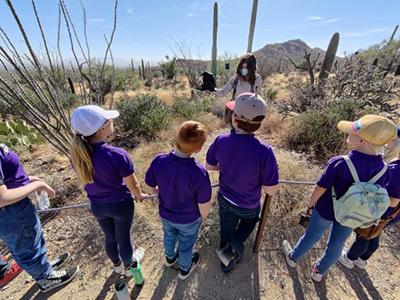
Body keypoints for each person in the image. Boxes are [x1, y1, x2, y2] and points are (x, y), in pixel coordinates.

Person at [282, 115, 397, 282]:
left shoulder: (340, 163)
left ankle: (293, 258)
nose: (348, 133)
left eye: (352, 132)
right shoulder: (385, 170)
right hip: (352, 214)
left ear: (362, 140)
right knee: (336, 245)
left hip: (326, 210)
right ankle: (319, 271)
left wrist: (310, 205)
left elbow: (319, 188)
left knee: (311, 237)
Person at [206, 93, 279, 273]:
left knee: (226, 228)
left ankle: (226, 255)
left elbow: (209, 165)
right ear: (259, 123)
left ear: (234, 118)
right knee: (251, 221)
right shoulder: (265, 152)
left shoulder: (221, 141)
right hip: (249, 205)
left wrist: (226, 166)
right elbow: (271, 189)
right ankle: (233, 247)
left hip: (225, 199)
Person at [70, 105, 146, 277]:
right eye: (109, 120)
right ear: (103, 129)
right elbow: (132, 184)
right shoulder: (118, 155)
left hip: (97, 206)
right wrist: (139, 195)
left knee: (110, 238)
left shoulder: (77, 155)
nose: (112, 121)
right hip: (120, 205)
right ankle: (130, 270)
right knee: (124, 239)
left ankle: (117, 266)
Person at [0, 144, 77, 292]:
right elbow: (2, 198)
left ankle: (43, 267)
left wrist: (26, 179)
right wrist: (37, 185)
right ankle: (45, 278)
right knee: (27, 247)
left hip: (14, 209)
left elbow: (7, 178)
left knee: (32, 238)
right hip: (10, 211)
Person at [145, 121, 212, 280]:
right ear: (198, 148)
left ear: (177, 138)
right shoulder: (199, 172)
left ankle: (169, 258)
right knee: (186, 245)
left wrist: (160, 194)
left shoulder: (159, 161)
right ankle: (184, 269)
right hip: (189, 219)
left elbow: (149, 188)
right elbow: (204, 207)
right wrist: (202, 217)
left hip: (166, 214)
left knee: (169, 236)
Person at [338, 127, 400, 270]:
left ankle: (350, 258)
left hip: (384, 210)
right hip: (394, 214)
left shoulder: (396, 170)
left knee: (366, 234)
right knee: (375, 234)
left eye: (391, 140)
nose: (386, 142)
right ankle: (362, 259)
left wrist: (373, 206)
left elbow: (393, 200)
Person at [215, 53, 263, 125]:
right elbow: (223, 92)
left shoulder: (257, 78)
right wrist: (212, 89)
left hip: (250, 114)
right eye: (242, 66)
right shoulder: (236, 78)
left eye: (246, 67)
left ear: (252, 68)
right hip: (236, 113)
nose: (244, 69)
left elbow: (258, 96)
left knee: (248, 132)